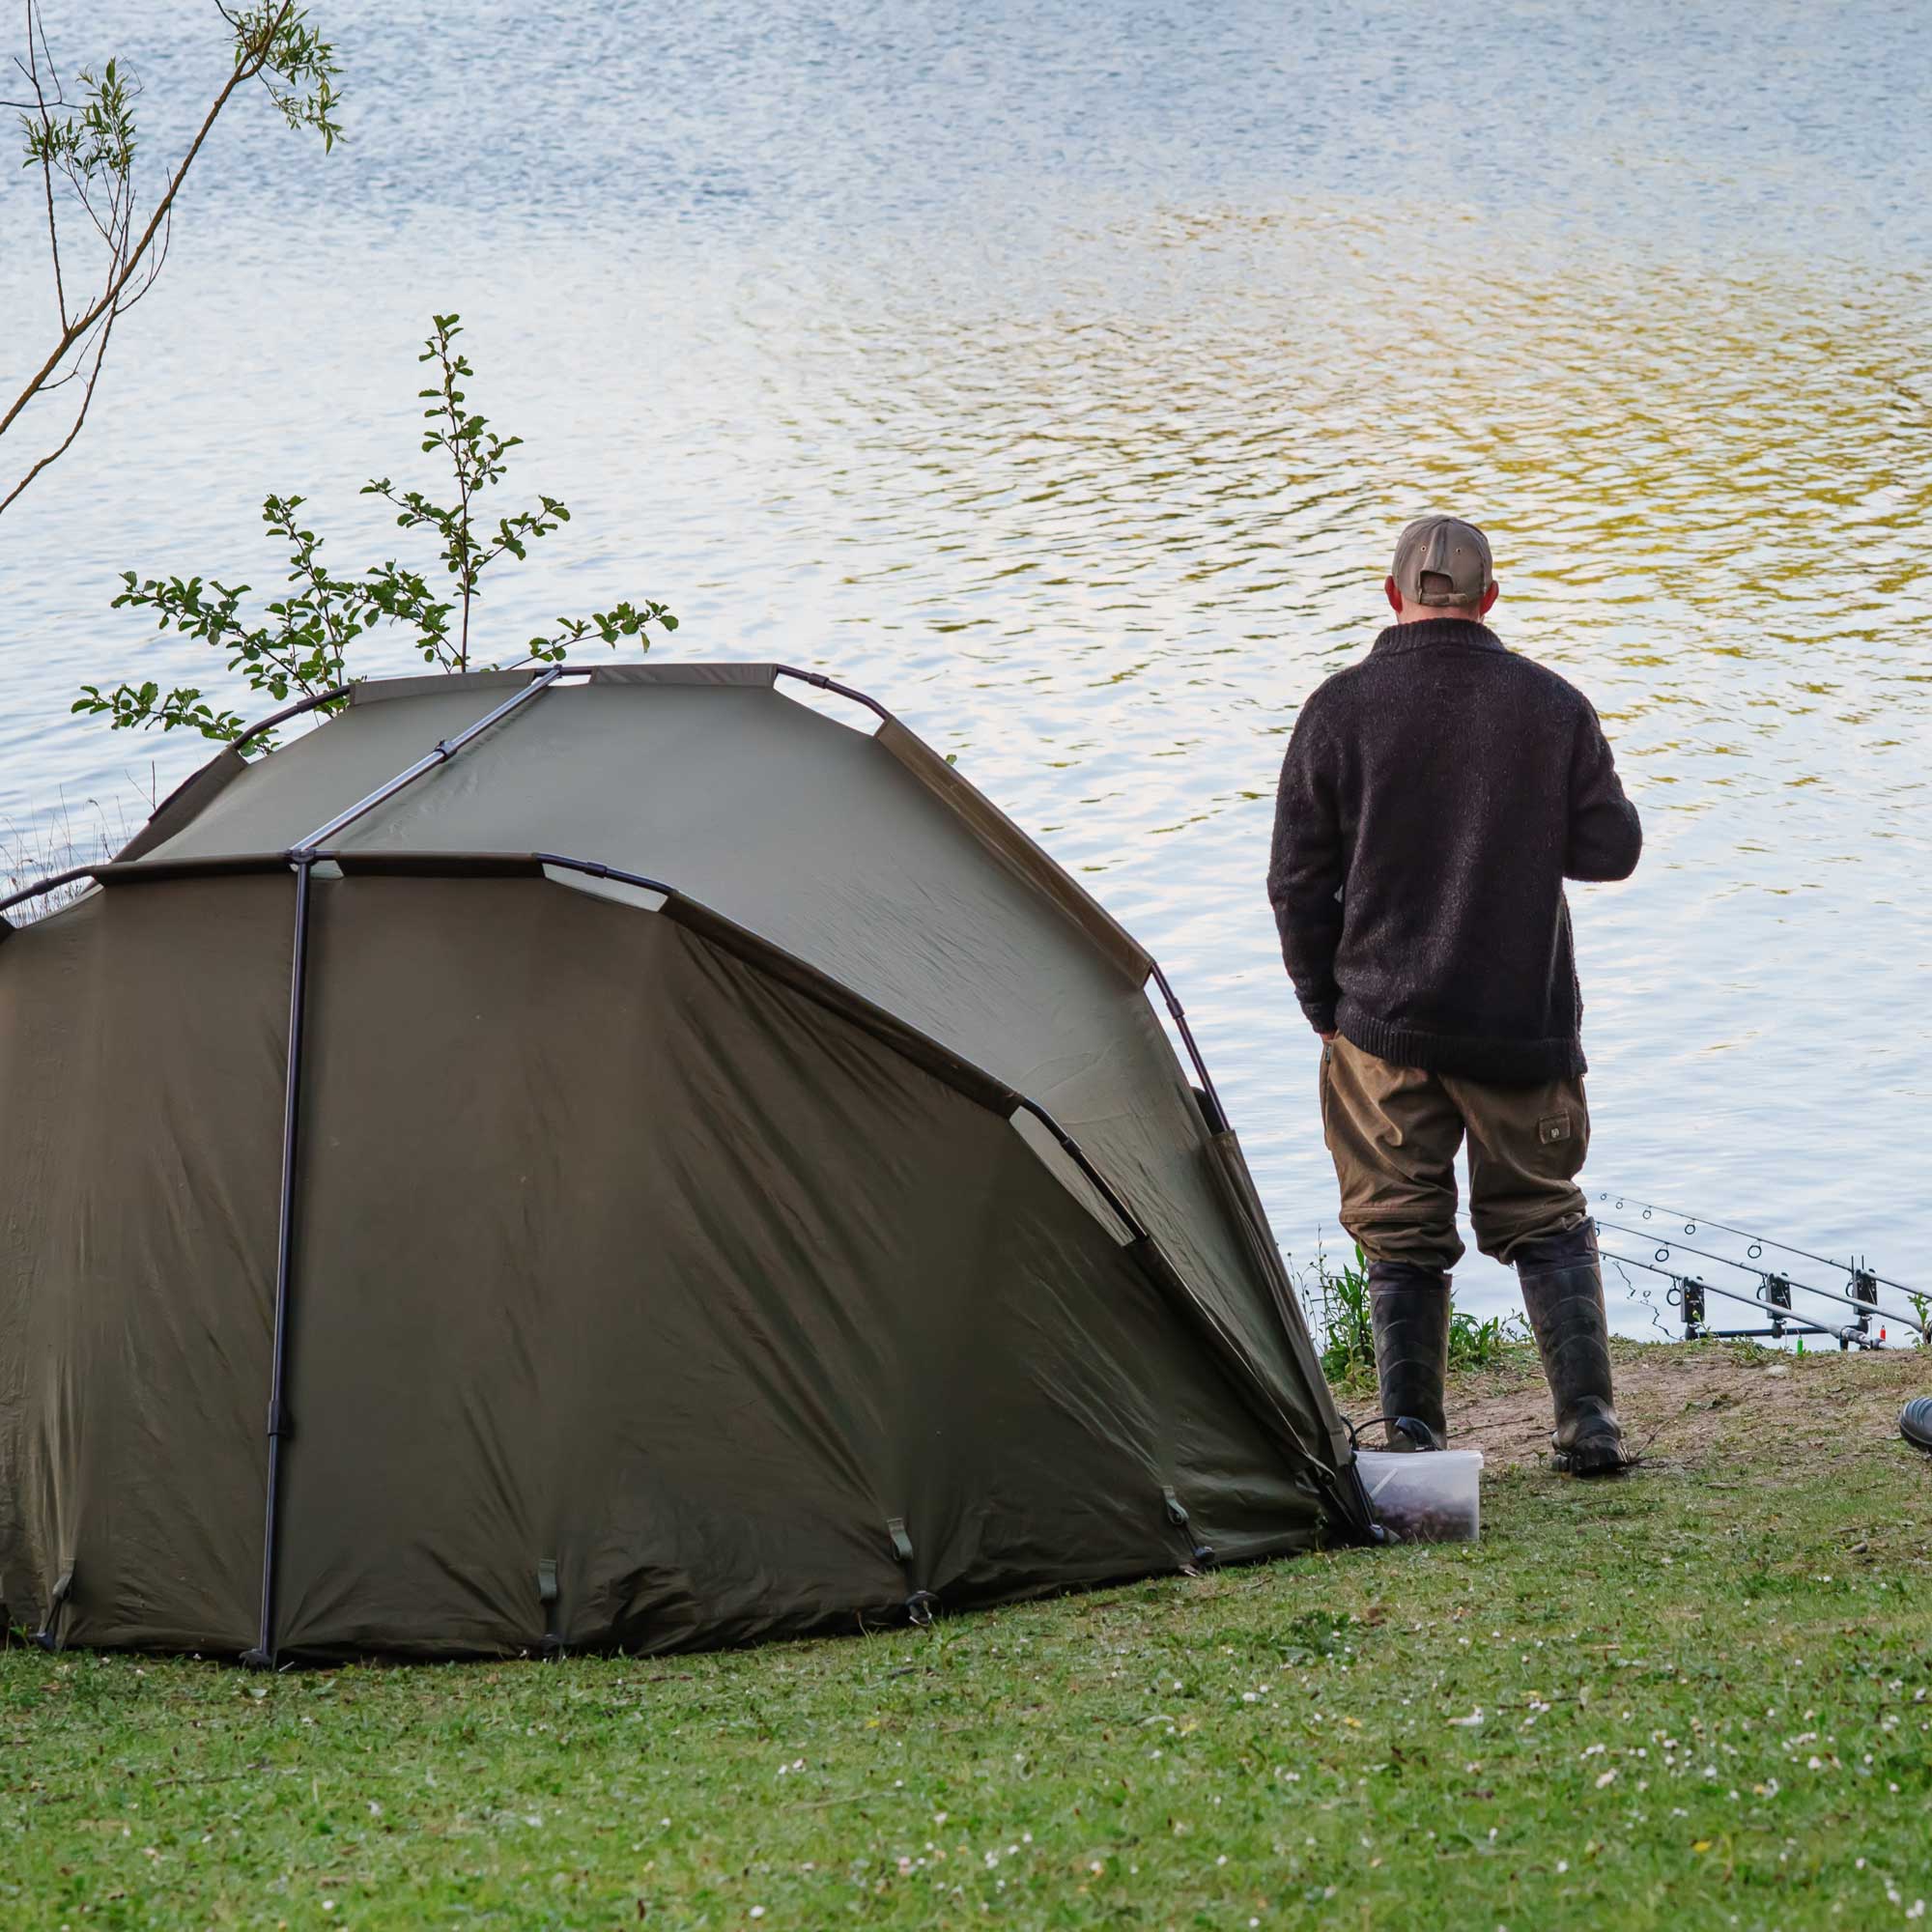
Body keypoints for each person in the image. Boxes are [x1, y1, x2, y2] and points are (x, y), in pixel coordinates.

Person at [1267, 515, 1642, 1474]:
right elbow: (1610, 850)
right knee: (1543, 1213)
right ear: (1488, 597)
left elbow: (1295, 883)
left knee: (1399, 1228)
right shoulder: (1551, 706)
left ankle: (1411, 1438)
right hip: (1518, 1021)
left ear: (1392, 594)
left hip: (1379, 1023)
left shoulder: (1336, 709)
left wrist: (1326, 1006)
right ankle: (1587, 1427)